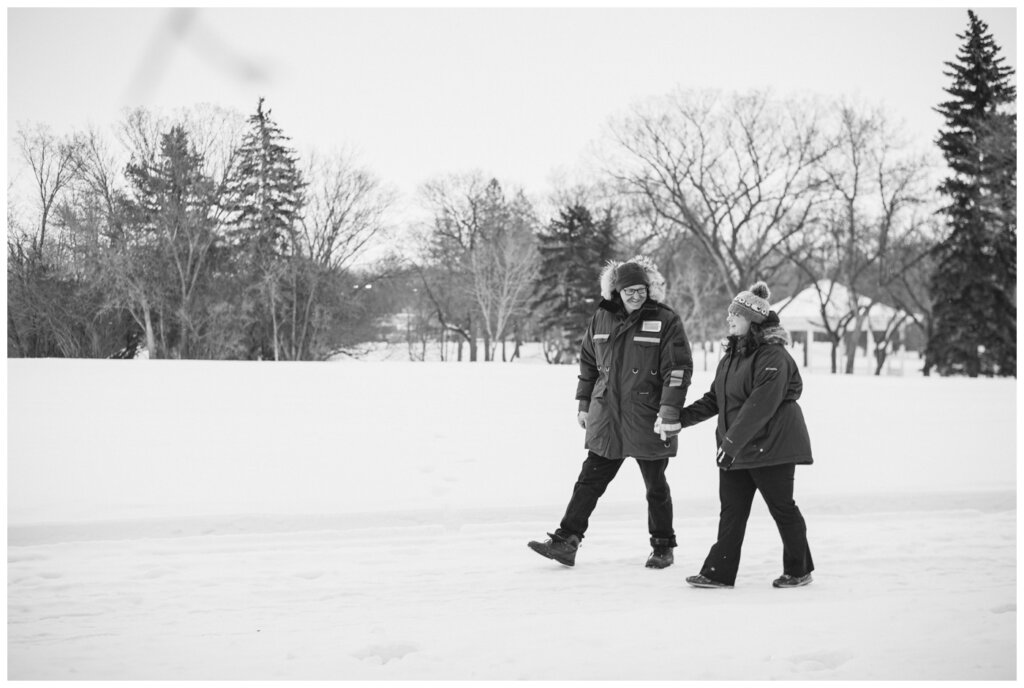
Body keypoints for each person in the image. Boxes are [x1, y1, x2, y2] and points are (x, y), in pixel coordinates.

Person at [528, 256, 693, 568]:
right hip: (607, 416)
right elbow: (589, 365)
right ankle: (566, 541)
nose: (634, 295)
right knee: (589, 480)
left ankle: (663, 546)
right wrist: (584, 404)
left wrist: (669, 410)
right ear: (616, 291)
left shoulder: (666, 320)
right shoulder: (601, 319)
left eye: (640, 289)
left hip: (648, 416)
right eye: (628, 290)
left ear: (649, 289)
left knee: (655, 486)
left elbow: (678, 370)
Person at [680, 281, 815, 589]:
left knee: (782, 508)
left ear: (752, 321)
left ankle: (799, 569)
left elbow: (759, 406)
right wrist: (679, 419)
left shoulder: (773, 357)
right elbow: (716, 399)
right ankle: (718, 572)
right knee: (732, 512)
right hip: (737, 447)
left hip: (773, 445)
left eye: (735, 315)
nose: (729, 319)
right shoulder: (732, 358)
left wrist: (730, 444)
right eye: (730, 313)